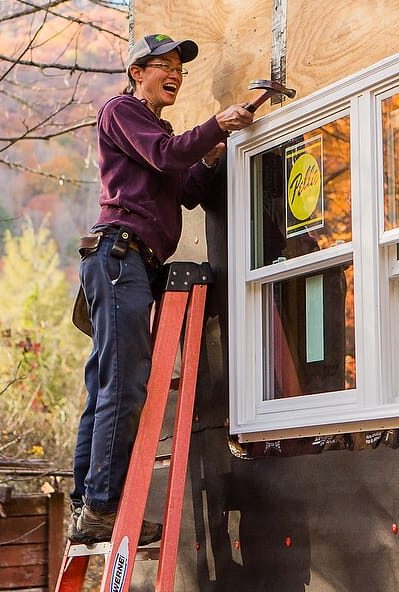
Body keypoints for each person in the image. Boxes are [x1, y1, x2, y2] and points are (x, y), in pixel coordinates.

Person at [68, 34, 254, 545]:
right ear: (136, 72)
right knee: (124, 387)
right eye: (164, 65)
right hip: (119, 258)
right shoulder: (121, 111)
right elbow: (167, 155)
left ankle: (87, 507)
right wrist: (216, 124)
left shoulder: (156, 128)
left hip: (131, 266)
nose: (174, 74)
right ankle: (102, 507)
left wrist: (213, 155)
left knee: (107, 386)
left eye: (180, 68)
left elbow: (189, 189)